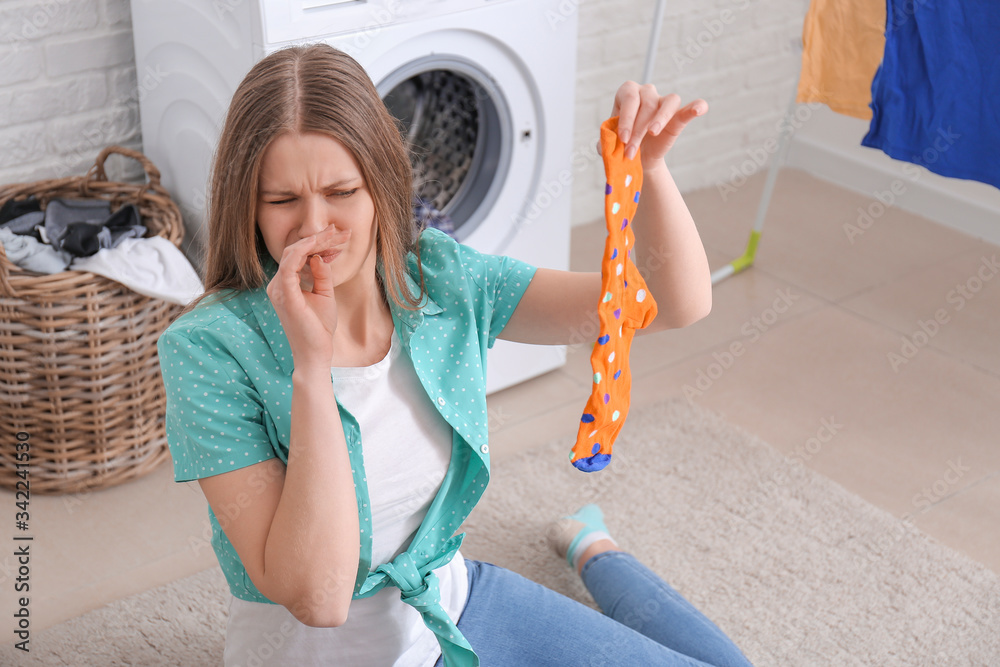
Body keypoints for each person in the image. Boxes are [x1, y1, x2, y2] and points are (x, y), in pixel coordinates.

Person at [157, 43, 753, 667]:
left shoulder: (441, 278)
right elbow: (318, 598)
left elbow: (667, 303)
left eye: (341, 191)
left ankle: (595, 551)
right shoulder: (208, 350)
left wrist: (648, 170)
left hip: (457, 608)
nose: (314, 226)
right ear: (248, 206)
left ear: (380, 186)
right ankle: (593, 548)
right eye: (282, 201)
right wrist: (312, 368)